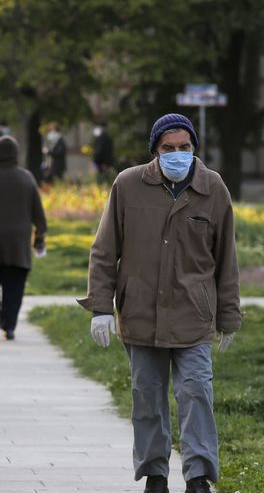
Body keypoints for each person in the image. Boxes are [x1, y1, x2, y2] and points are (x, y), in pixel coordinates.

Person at [78, 113, 241, 493]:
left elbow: (226, 259)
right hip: (141, 314)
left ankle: (198, 475)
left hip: (194, 314)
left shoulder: (212, 188)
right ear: (155, 150)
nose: (178, 154)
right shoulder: (128, 185)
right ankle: (154, 474)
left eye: (185, 147)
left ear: (194, 148)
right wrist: (101, 307)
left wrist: (229, 316)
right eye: (169, 148)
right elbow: (104, 251)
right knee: (147, 399)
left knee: (196, 393)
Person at [0, 135, 47, 341]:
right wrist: (39, 236)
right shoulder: (26, 178)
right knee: (14, 287)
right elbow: (38, 213)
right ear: (16, 154)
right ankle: (10, 325)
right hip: (18, 244)